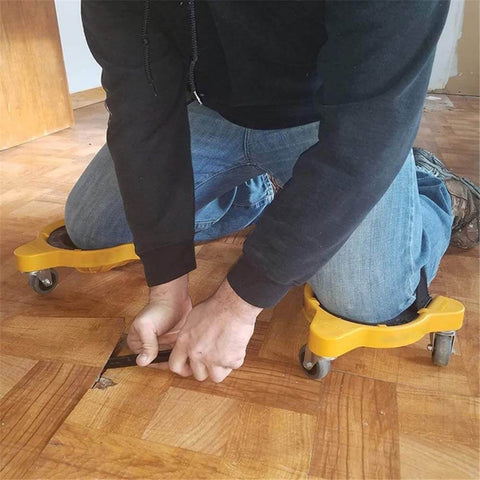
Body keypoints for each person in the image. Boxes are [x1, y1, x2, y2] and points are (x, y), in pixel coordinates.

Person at [66, 0, 479, 383]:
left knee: (367, 299)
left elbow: (370, 129)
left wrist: (238, 303)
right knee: (94, 227)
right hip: (208, 112)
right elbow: (141, 109)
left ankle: (431, 189)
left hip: (330, 122)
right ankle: (261, 191)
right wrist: (166, 287)